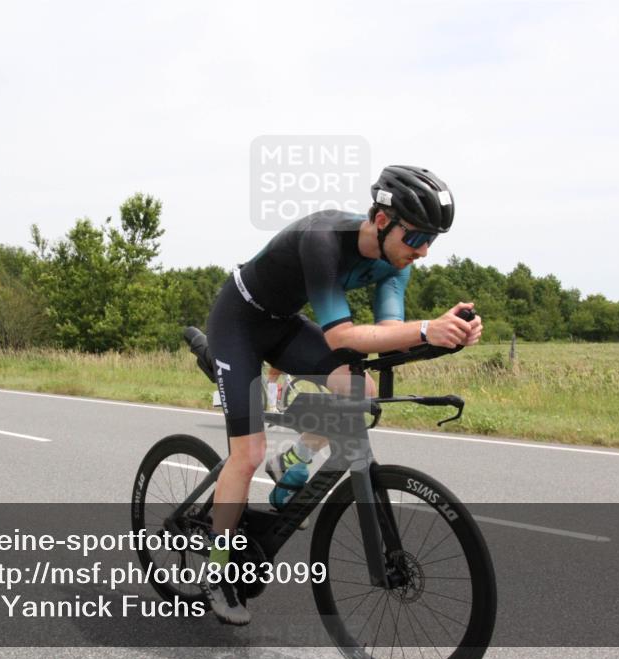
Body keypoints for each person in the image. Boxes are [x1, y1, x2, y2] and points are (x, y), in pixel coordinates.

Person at [200, 165, 483, 624]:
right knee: (247, 454)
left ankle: (291, 462)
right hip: (238, 322)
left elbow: (389, 335)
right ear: (382, 220)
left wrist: (447, 336)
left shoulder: (396, 264)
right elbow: (340, 336)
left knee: (359, 389)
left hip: (283, 325)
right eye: (417, 238)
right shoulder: (324, 238)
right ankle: (215, 572)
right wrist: (427, 328)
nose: (424, 251)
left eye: (432, 240)